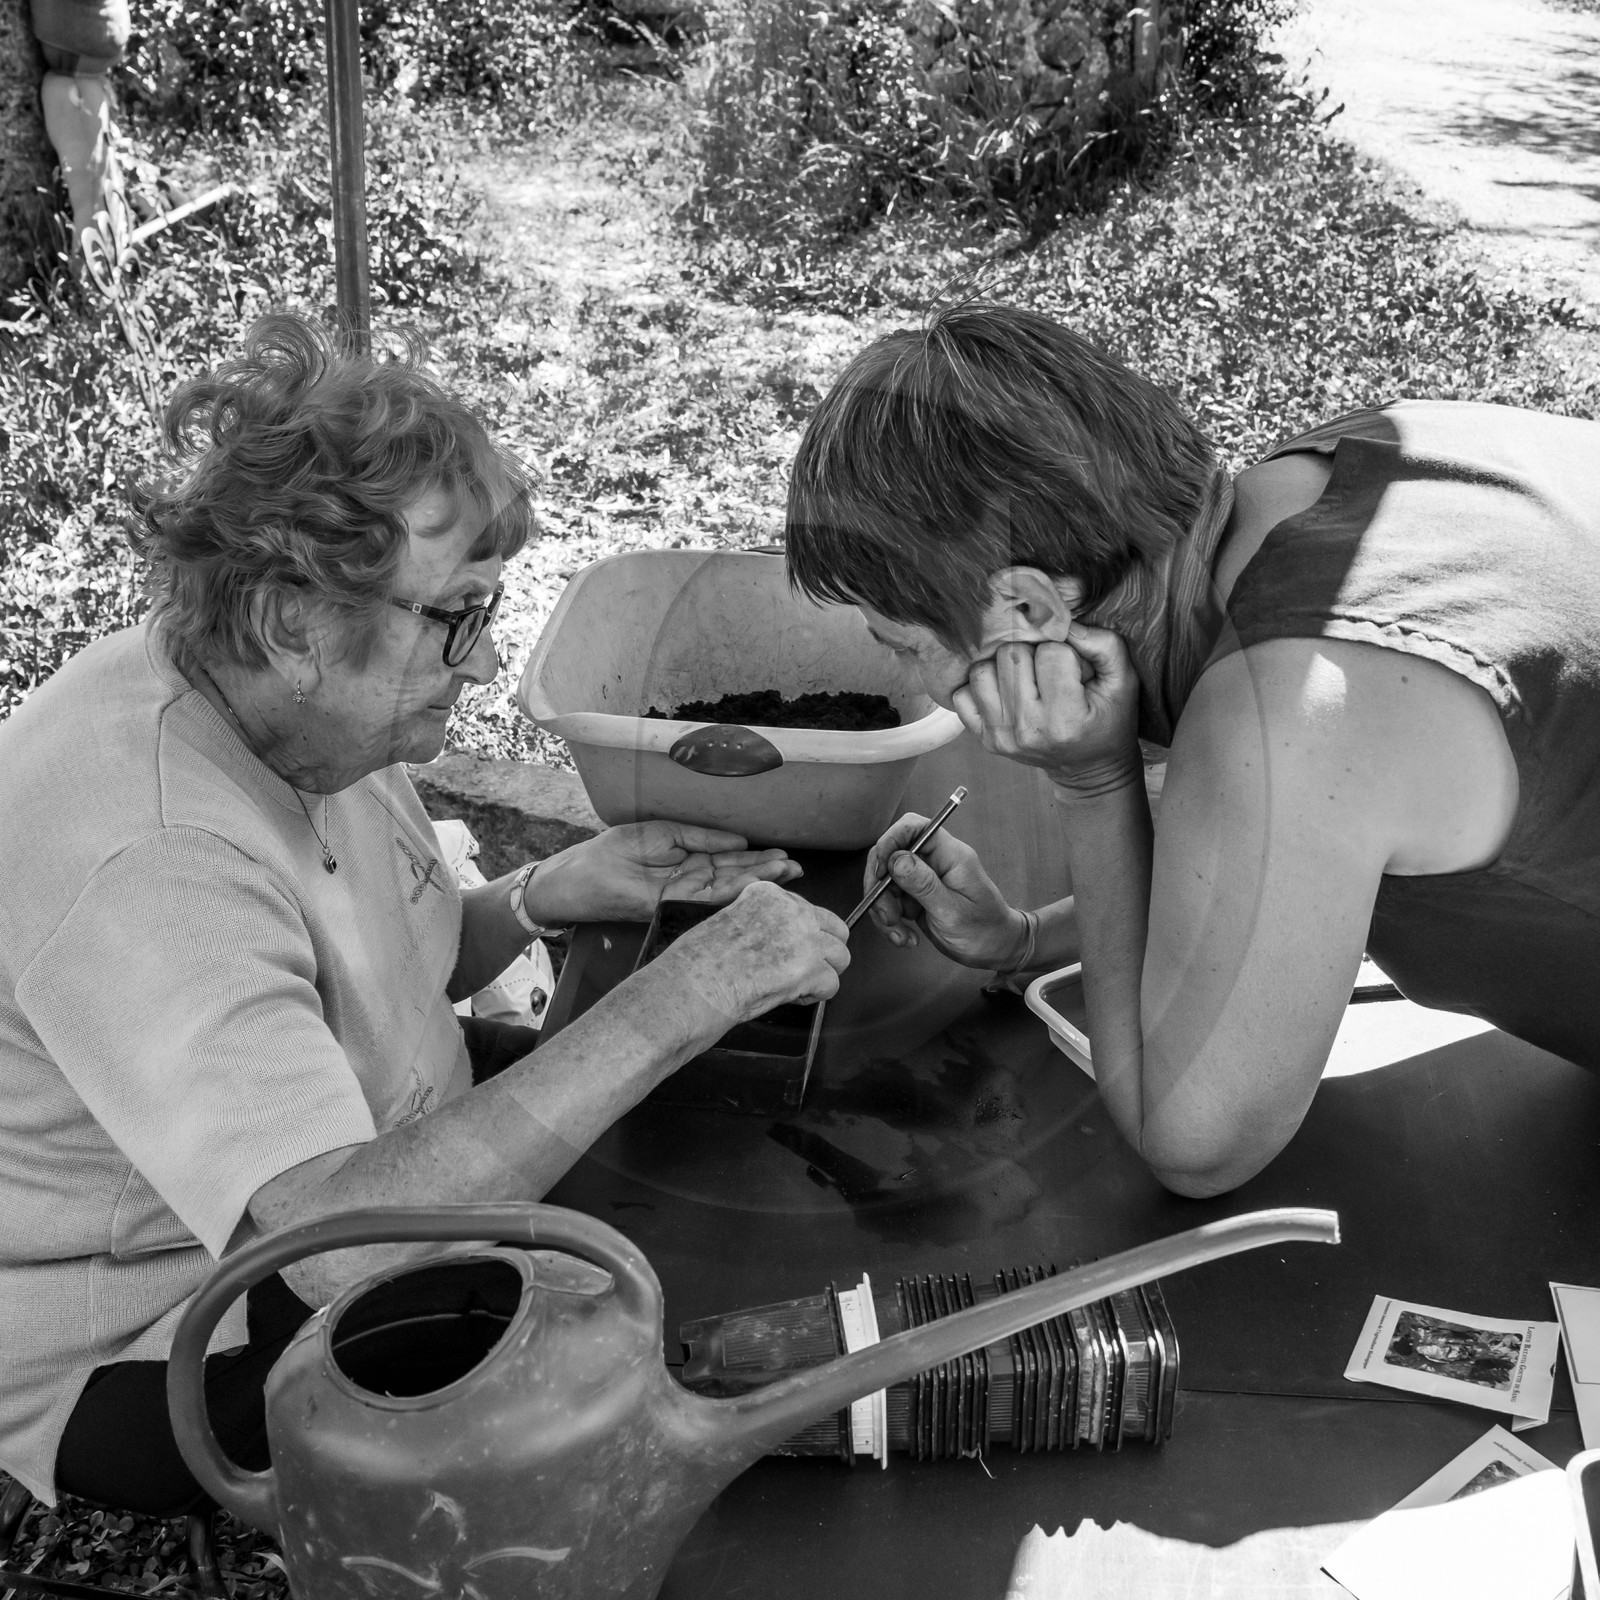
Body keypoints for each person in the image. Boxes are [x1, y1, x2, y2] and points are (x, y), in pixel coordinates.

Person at [0, 313, 849, 1511]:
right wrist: (684, 991)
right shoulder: (153, 852)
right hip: (154, 1334)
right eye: (458, 616)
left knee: (694, 1140)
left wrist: (545, 894)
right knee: (638, 1346)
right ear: (295, 621)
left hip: (343, 1180)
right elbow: (341, 1243)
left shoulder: (297, 705)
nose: (487, 666)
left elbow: (398, 963)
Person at [784, 300, 1600, 1200]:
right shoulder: (1318, 482)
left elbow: (1197, 1139)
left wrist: (1093, 783)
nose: (914, 683)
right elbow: (1285, 868)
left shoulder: (1291, 712)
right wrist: (1027, 941)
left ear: (1028, 611)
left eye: (902, 643)